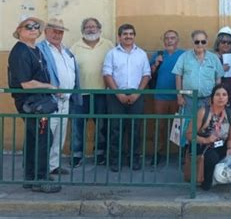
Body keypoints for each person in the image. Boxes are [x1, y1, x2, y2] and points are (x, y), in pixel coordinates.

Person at [8, 16, 61, 193]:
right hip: (30, 102)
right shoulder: (20, 51)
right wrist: (50, 86)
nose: (33, 29)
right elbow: (25, 82)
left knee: (34, 139)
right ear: (19, 31)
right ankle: (41, 178)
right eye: (28, 26)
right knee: (43, 138)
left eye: (36, 27)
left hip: (38, 101)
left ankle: (31, 177)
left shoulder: (35, 49)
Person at [103, 23, 151, 172]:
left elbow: (146, 75)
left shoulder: (141, 54)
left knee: (135, 129)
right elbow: (107, 74)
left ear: (134, 36)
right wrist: (119, 94)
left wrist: (138, 93)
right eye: (125, 34)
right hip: (116, 95)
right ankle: (115, 161)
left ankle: (134, 159)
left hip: (137, 95)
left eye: (131, 34)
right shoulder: (112, 53)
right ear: (119, 37)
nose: (128, 36)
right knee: (115, 129)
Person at [38, 18, 81, 175]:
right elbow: (40, 73)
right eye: (54, 31)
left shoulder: (66, 50)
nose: (57, 34)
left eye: (60, 31)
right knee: (46, 136)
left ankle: (53, 165)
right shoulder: (40, 49)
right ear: (46, 32)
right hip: (50, 99)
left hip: (66, 99)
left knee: (59, 134)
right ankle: (41, 168)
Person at [70, 17, 114, 168]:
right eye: (87, 27)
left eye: (93, 26)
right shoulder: (75, 47)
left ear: (99, 29)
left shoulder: (108, 45)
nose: (90, 29)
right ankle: (77, 155)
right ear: (83, 30)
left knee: (102, 125)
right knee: (78, 125)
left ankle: (100, 153)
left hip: (102, 92)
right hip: (80, 94)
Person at [185, 84, 231, 191]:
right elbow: (189, 134)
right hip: (202, 146)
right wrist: (206, 140)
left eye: (224, 95)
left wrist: (230, 148)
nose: (221, 97)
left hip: (221, 144)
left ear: (228, 98)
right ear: (212, 98)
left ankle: (225, 177)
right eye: (217, 95)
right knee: (212, 157)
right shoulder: (203, 112)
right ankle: (205, 180)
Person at [149, 30, 184, 164]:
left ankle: (181, 153)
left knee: (179, 125)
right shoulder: (158, 55)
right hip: (160, 96)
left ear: (177, 40)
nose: (170, 40)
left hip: (178, 96)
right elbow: (150, 73)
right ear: (164, 41)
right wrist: (156, 63)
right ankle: (157, 153)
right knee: (160, 126)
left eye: (172, 38)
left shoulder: (183, 55)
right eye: (167, 38)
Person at [173, 30, 224, 115]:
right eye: (197, 42)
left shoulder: (214, 58)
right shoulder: (184, 57)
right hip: (188, 100)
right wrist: (179, 96)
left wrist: (214, 98)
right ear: (193, 42)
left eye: (203, 41)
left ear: (206, 42)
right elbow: (178, 76)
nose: (200, 44)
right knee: (188, 126)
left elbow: (218, 79)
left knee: (206, 126)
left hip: (207, 100)